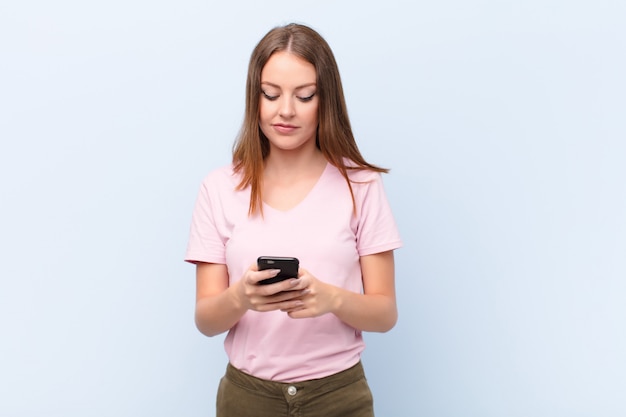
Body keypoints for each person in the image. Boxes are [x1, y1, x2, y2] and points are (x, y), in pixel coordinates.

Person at [185, 23, 402, 417]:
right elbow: (206, 320)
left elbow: (385, 313)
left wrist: (332, 298)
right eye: (271, 94)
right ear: (255, 98)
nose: (286, 110)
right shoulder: (218, 188)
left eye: (304, 96)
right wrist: (242, 297)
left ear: (326, 101)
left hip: (340, 396)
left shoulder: (362, 186)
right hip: (246, 398)